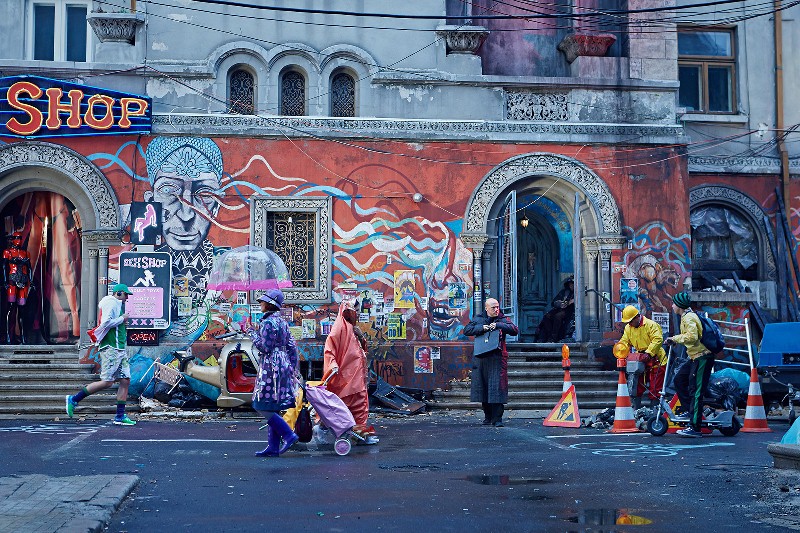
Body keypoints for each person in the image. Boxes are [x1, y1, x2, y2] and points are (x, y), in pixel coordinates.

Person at [65, 283, 136, 425]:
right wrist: (122, 319)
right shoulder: (111, 302)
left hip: (119, 348)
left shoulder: (116, 303)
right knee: (107, 382)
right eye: (126, 294)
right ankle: (74, 399)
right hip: (111, 348)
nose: (127, 297)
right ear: (119, 293)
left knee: (125, 380)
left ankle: (120, 416)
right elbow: (106, 323)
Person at [248, 289, 300, 457]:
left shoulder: (268, 323)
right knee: (274, 405)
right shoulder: (283, 322)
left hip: (271, 366)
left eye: (263, 301)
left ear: (269, 304)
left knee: (262, 404)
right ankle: (273, 447)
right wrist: (292, 366)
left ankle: (288, 434)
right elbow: (292, 345)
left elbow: (265, 347)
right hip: (283, 363)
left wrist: (250, 332)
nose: (260, 304)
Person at [323, 299, 378, 443]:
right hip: (346, 376)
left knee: (359, 405)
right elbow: (330, 349)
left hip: (357, 375)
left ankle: (360, 434)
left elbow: (361, 350)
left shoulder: (352, 328)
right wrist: (332, 365)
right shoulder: (340, 328)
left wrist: (360, 335)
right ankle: (328, 429)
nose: (358, 313)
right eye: (356, 310)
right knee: (346, 405)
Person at [464, 298, 519, 427]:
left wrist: (499, 325)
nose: (496, 310)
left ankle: (497, 419)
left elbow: (514, 329)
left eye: (497, 307)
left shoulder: (502, 318)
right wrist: (482, 328)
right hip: (481, 358)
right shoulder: (478, 318)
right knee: (483, 388)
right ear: (486, 308)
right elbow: (467, 330)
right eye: (493, 307)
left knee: (497, 388)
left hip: (497, 357)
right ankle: (488, 417)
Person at [666, 292, 714, 438]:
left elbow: (692, 337)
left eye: (674, 303)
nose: (672, 306)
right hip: (694, 357)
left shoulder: (689, 317)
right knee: (679, 379)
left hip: (702, 357)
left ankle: (695, 427)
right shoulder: (685, 316)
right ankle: (689, 410)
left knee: (696, 391)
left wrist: (675, 338)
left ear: (679, 305)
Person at [616, 305, 667, 408]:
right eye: (628, 322)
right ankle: (636, 410)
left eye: (630, 321)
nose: (629, 323)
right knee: (636, 386)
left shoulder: (651, 325)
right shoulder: (628, 328)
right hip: (639, 359)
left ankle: (655, 411)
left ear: (637, 317)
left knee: (655, 387)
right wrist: (620, 350)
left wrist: (648, 353)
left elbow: (658, 339)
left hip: (656, 359)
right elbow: (625, 341)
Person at [2, 231, 32, 344]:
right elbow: (4, 267)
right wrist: (5, 281)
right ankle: (9, 336)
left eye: (20, 238)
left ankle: (23, 337)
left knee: (22, 310)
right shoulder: (7, 252)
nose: (18, 240)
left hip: (23, 281)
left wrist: (31, 280)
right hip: (12, 281)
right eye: (16, 238)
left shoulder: (25, 253)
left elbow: (29, 268)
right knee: (10, 308)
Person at [535, 277, 575, 343]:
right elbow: (554, 302)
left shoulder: (577, 293)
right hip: (560, 309)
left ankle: (554, 337)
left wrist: (571, 302)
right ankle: (550, 336)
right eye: (570, 284)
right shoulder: (564, 292)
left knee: (558, 316)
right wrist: (560, 303)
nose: (571, 286)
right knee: (547, 316)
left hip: (569, 311)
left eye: (573, 284)